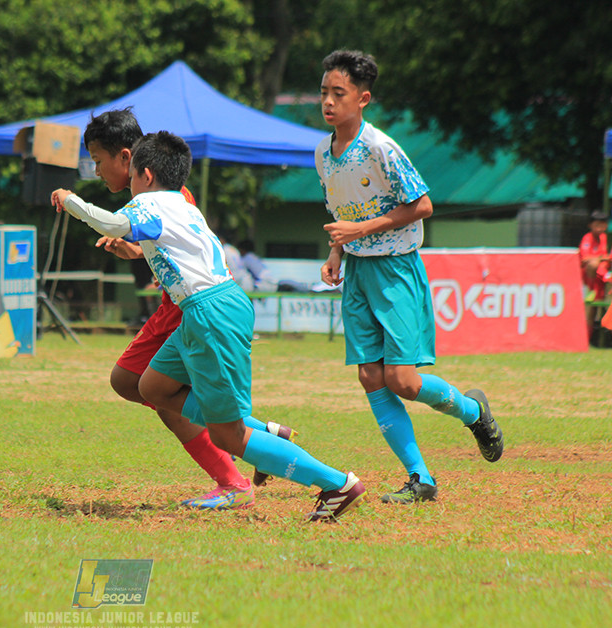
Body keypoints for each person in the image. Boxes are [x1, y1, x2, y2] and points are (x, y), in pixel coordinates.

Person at [53, 131, 366, 522]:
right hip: (210, 307)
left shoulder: (147, 202)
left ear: (145, 175)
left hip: (210, 312)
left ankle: (336, 483)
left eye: (131, 175)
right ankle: (260, 431)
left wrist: (72, 202)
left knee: (227, 435)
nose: (127, 184)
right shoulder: (183, 204)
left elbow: (113, 223)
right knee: (152, 386)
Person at [315, 50, 504, 504]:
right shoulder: (323, 153)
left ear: (363, 99)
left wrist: (360, 230)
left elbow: (422, 205)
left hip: (397, 268)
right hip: (358, 271)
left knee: (404, 381)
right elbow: (340, 212)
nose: (327, 101)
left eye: (338, 94)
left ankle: (474, 412)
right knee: (370, 376)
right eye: (323, 92)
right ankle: (422, 479)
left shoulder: (380, 148)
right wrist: (337, 252)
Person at [84, 109, 296, 511]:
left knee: (141, 387)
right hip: (180, 306)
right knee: (136, 384)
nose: (96, 171)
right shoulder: (164, 193)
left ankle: (237, 475)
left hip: (187, 309)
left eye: (98, 160)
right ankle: (258, 435)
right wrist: (134, 251)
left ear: (128, 159)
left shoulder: (164, 197)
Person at [578, 209, 609, 336]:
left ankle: (591, 336)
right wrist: (602, 258)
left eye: (603, 225)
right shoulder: (587, 238)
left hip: (599, 277)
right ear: (590, 225)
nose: (600, 228)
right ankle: (590, 290)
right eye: (597, 225)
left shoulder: (603, 237)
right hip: (587, 276)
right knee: (594, 263)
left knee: (594, 309)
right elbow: (585, 259)